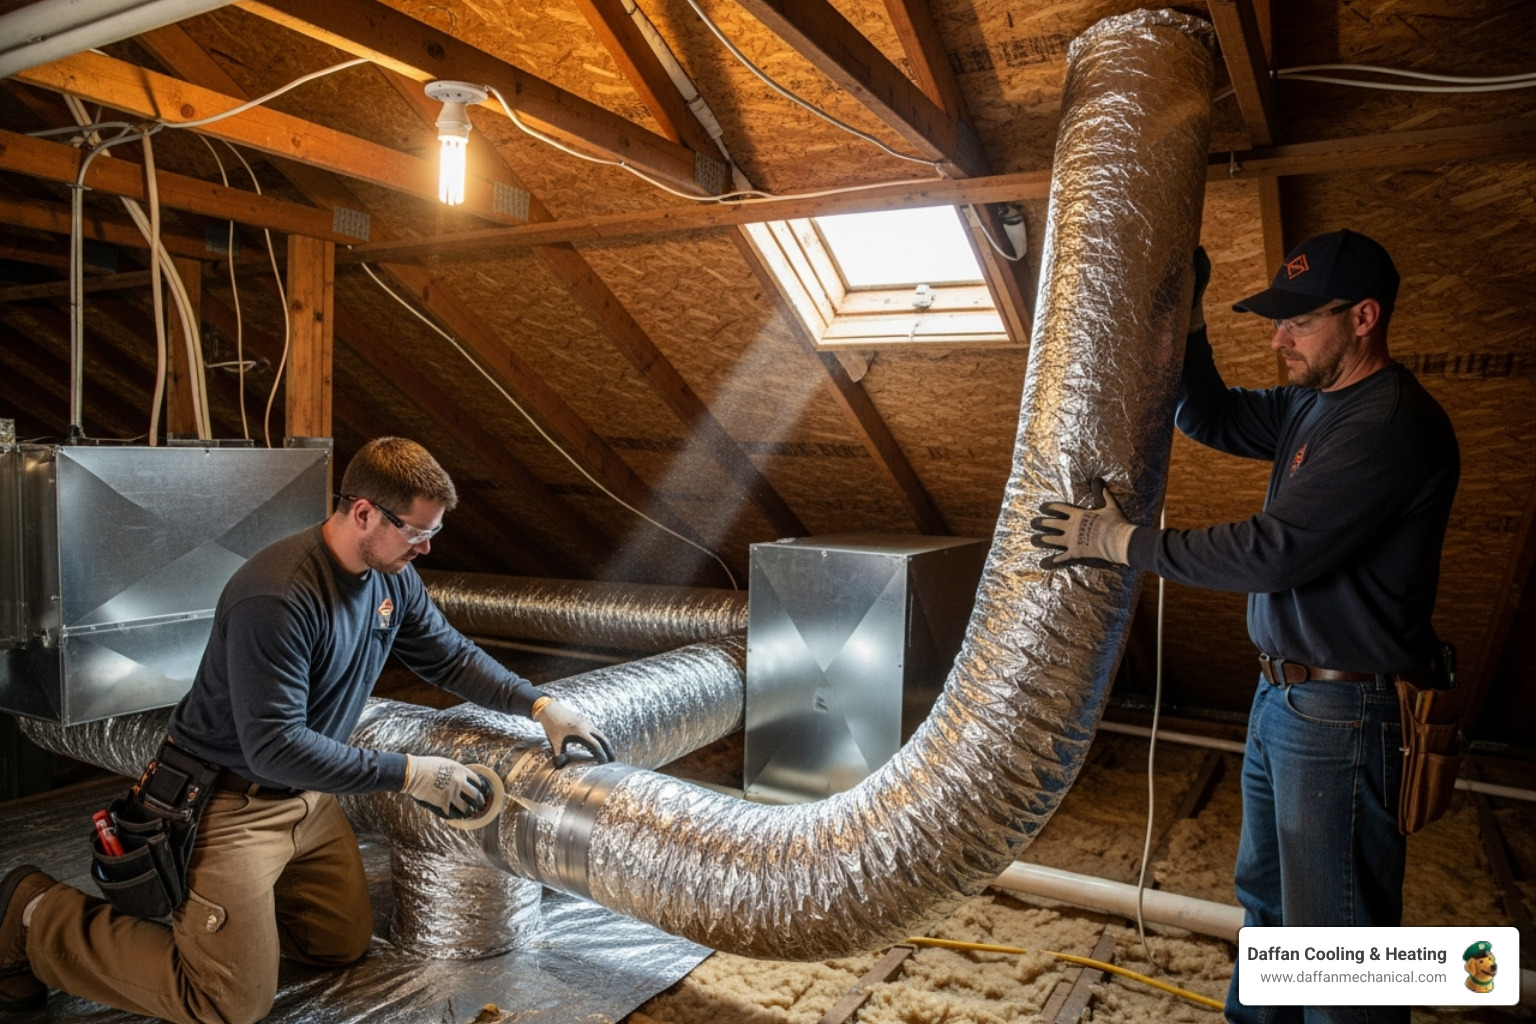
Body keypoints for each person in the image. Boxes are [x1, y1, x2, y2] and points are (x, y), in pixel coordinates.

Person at [0, 436, 615, 1022]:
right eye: (417, 533)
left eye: (434, 533)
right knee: (228, 1003)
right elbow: (273, 747)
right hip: (228, 802)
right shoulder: (278, 597)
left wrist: (540, 706)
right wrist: (411, 774)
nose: (426, 548)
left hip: (308, 798)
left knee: (338, 945)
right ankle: (34, 915)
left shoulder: (392, 578)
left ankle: (238, 926)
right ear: (365, 513)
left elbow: (449, 657)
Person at [1030, 230, 1460, 1024]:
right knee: (1268, 905)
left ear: (1364, 317)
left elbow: (1273, 553)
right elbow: (1213, 416)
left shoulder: (1389, 426)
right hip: (1286, 699)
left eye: (1299, 322)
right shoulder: (1314, 404)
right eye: (1276, 320)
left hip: (1343, 711)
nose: (1278, 339)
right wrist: (1188, 322)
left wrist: (1119, 543)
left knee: (1338, 945)